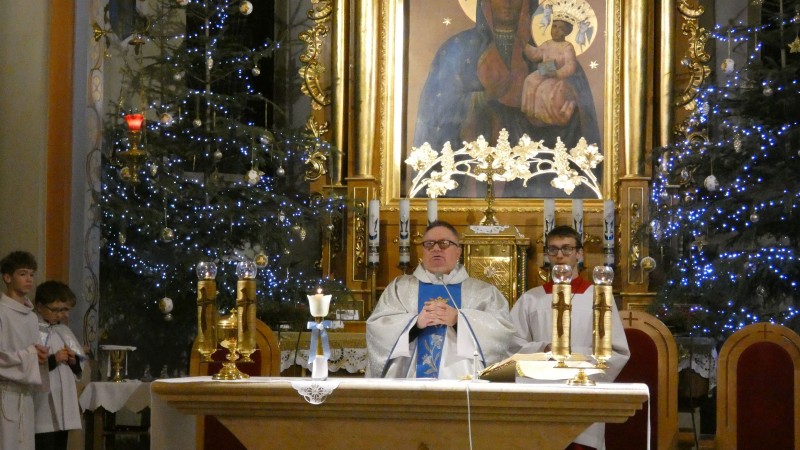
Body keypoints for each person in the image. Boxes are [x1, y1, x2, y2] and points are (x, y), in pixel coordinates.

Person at [509, 226, 630, 450]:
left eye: (567, 248)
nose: (560, 255)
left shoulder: (598, 297)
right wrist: (544, 349)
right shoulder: (531, 300)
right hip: (540, 394)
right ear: (547, 254)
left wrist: (578, 361)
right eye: (553, 249)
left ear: (579, 254)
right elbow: (511, 346)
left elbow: (616, 351)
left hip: (583, 393)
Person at [366, 221, 515, 378]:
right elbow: (377, 329)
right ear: (423, 251)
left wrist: (459, 319)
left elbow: (502, 333)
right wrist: (414, 324)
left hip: (464, 380)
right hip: (408, 378)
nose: (436, 248)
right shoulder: (399, 288)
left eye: (444, 243)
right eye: (429, 244)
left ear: (458, 252)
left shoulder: (484, 292)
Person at [0, 251, 48, 450]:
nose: (29, 279)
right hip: (5, 393)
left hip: (26, 396)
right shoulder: (2, 312)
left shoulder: (32, 317)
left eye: (31, 274)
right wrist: (31, 355)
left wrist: (41, 357)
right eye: (22, 274)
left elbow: (35, 353)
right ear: (7, 277)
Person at [33, 281, 85, 450]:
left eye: (65, 310)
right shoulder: (32, 330)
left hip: (64, 400)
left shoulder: (64, 331)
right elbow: (28, 366)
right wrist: (53, 360)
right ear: (39, 306)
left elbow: (79, 369)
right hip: (42, 403)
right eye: (56, 310)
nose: (62, 315)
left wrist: (73, 361)